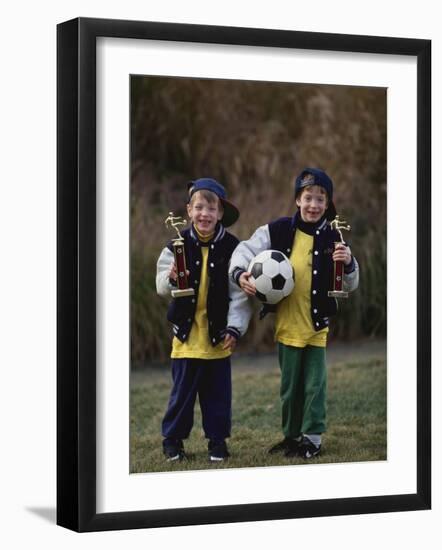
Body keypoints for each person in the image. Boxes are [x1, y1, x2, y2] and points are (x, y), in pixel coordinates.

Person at [229, 168, 359, 459]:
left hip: (315, 327)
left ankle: (312, 440)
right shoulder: (277, 230)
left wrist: (349, 263)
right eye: (307, 197)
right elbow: (244, 250)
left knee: (314, 386)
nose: (313, 205)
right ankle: (291, 437)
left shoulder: (334, 237)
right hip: (287, 326)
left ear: (328, 204)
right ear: (298, 200)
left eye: (320, 199)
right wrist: (239, 273)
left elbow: (351, 283)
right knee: (289, 389)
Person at [156, 178, 251, 463]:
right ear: (188, 210)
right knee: (182, 396)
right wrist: (170, 277)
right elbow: (161, 286)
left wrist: (235, 328)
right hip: (186, 337)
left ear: (221, 213)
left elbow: (239, 296)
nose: (204, 214)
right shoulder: (176, 244)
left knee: (217, 396)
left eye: (211, 209)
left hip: (218, 337)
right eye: (199, 207)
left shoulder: (233, 248)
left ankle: (217, 442)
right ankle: (172, 441)